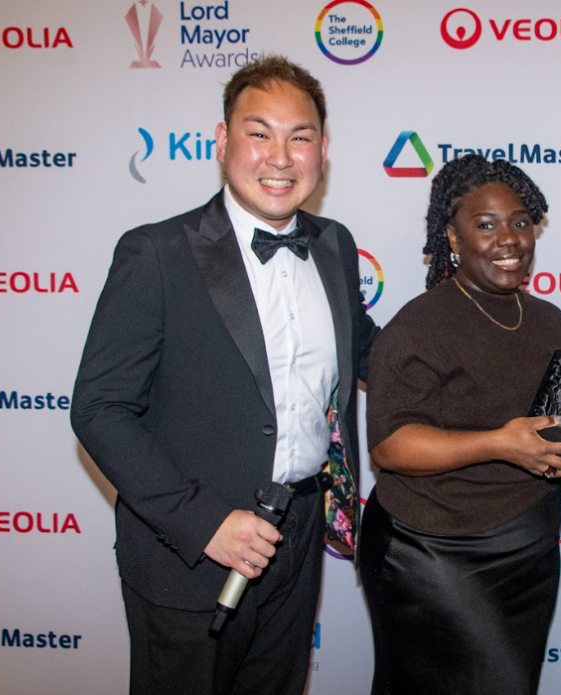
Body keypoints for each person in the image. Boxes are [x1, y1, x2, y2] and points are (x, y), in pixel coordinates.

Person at [70, 55, 377, 695]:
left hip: (298, 530)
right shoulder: (156, 252)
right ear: (221, 140)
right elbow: (99, 410)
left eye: (300, 137)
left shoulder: (335, 244)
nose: (280, 158)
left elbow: (370, 350)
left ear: (323, 150)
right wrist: (205, 522)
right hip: (188, 551)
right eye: (259, 133)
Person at [360, 155, 561, 695]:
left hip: (528, 552)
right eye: (486, 225)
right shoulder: (417, 326)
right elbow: (390, 445)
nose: (509, 239)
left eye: (520, 222)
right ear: (453, 236)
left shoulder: (552, 322)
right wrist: (500, 443)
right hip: (431, 553)